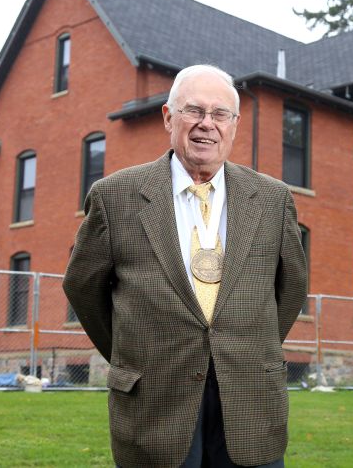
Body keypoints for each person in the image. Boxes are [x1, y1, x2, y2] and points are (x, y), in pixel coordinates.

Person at [63, 64, 308, 468]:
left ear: (234, 125)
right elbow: (83, 288)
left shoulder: (272, 199)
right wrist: (132, 354)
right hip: (154, 399)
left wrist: (247, 343)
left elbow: (291, 287)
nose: (205, 125)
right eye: (193, 110)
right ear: (167, 117)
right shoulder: (115, 197)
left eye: (219, 114)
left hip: (250, 396)